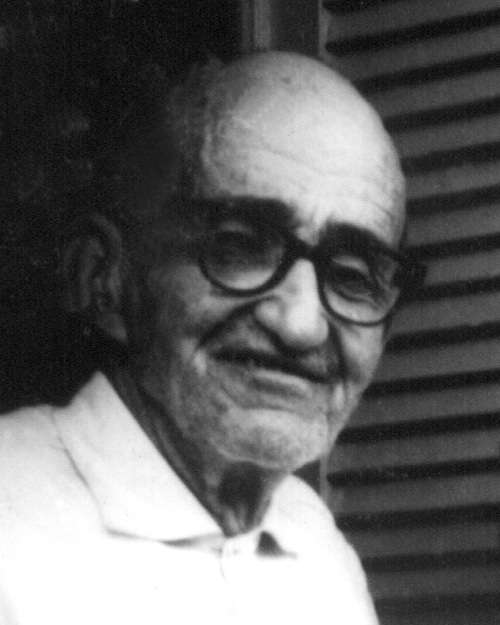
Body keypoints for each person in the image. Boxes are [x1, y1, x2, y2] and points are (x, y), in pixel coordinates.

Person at [0, 51, 422, 625]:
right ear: (104, 277)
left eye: (351, 276)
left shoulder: (316, 547)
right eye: (238, 246)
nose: (301, 326)